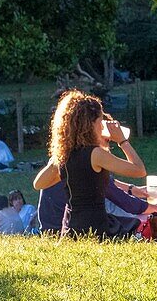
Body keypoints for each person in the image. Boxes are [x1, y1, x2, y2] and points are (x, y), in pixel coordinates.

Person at [32, 90, 147, 238]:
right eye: (100, 121)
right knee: (138, 228)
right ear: (89, 124)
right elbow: (139, 170)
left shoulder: (63, 156)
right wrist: (122, 141)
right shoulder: (96, 154)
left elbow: (38, 184)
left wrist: (58, 165)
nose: (102, 126)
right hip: (96, 227)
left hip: (69, 230)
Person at [36, 176, 157, 234]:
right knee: (136, 223)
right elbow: (128, 204)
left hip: (49, 229)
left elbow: (107, 182)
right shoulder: (86, 158)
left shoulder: (67, 154)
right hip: (66, 231)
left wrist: (134, 189)